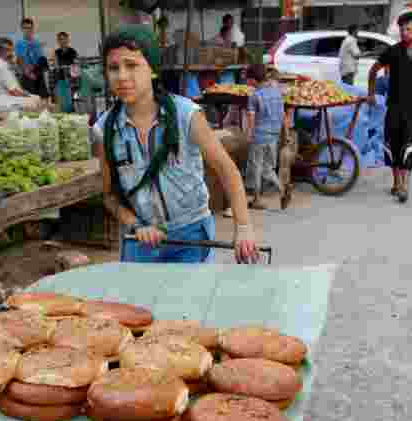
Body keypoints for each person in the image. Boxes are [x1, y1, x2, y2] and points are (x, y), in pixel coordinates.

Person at [93, 26, 259, 264]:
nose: (122, 76)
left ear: (151, 69)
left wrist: (243, 227)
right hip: (140, 241)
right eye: (113, 68)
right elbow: (110, 196)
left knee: (189, 300)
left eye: (132, 65)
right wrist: (136, 224)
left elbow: (227, 170)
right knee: (138, 301)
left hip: (191, 234)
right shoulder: (105, 130)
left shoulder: (185, 115)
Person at [366, 11, 412, 203]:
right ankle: (396, 182)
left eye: (408, 29)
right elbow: (373, 71)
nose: (405, 32)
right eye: (402, 29)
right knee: (392, 145)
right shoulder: (393, 51)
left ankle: (404, 185)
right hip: (394, 107)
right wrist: (371, 93)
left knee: (410, 145)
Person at [244, 64, 287, 211]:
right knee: (268, 168)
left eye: (248, 80)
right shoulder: (276, 92)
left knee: (256, 167)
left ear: (253, 80)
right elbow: (283, 115)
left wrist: (248, 135)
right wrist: (284, 134)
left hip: (259, 136)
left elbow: (251, 118)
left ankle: (257, 200)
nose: (247, 83)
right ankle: (282, 189)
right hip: (273, 136)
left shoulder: (254, 96)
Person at [16, 18, 49, 99]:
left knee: (43, 99)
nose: (28, 30)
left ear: (33, 28)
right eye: (25, 28)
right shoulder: (19, 43)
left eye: (30, 28)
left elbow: (40, 59)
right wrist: (28, 73)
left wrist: (38, 72)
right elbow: (20, 61)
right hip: (27, 75)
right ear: (22, 29)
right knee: (30, 100)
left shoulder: (37, 43)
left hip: (38, 74)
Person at [53, 32, 78, 113]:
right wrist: (59, 67)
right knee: (61, 103)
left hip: (70, 81)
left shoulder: (73, 52)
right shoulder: (56, 52)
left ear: (67, 40)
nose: (62, 41)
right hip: (60, 81)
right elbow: (56, 66)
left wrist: (70, 68)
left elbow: (76, 66)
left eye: (64, 39)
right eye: (60, 39)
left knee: (70, 103)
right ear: (58, 41)